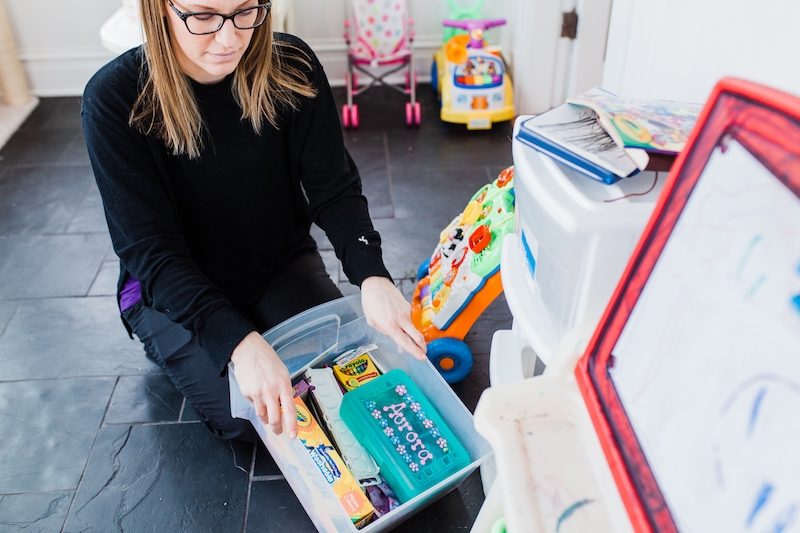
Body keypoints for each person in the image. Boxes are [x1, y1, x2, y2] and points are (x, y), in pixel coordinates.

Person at [82, 0, 427, 443]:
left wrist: (372, 275)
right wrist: (236, 342)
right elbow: (152, 250)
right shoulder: (113, 99)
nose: (230, 39)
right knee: (255, 421)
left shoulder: (293, 66)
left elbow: (334, 188)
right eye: (203, 16)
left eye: (246, 10)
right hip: (171, 290)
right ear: (159, 9)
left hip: (276, 258)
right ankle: (179, 342)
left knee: (333, 388)